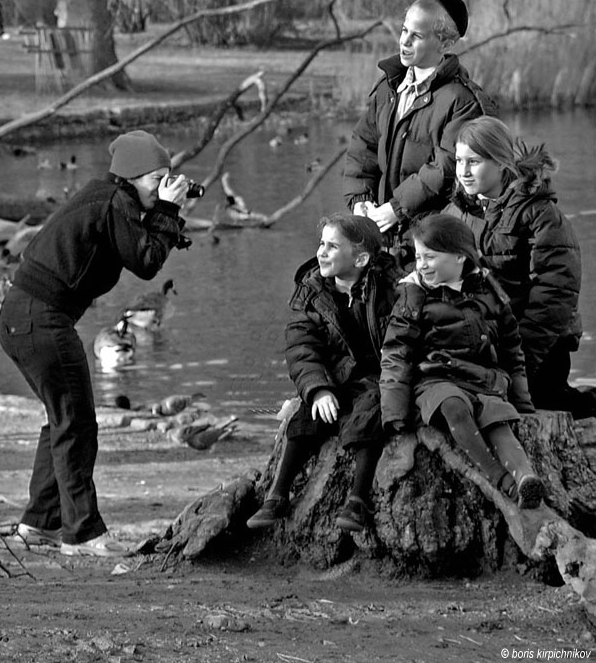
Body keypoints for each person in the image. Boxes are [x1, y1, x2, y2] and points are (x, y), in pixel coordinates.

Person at [0, 130, 194, 557]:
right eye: (156, 179)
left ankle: (40, 523)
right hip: (40, 319)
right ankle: (83, 534)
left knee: (61, 420)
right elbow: (145, 262)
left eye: (168, 179)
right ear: (131, 176)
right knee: (78, 424)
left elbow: (139, 247)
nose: (162, 187)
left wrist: (166, 213)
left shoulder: (108, 198)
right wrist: (168, 210)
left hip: (21, 317)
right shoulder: (113, 201)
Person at [247, 213, 402, 533]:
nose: (321, 252)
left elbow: (404, 336)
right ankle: (277, 495)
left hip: (378, 376)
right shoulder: (311, 291)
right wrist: (318, 389)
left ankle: (358, 499)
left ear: (360, 258)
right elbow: (301, 348)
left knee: (371, 413)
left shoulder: (392, 287)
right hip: (334, 376)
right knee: (305, 416)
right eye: (321, 244)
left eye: (333, 246)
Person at [380, 214, 544, 509]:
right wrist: (394, 411)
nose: (422, 264)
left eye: (430, 257)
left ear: (459, 257)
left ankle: (526, 479)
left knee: (498, 422)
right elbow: (396, 353)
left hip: (482, 378)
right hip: (435, 381)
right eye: (419, 256)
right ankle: (502, 480)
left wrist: (522, 401)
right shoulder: (413, 297)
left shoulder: (489, 292)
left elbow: (512, 349)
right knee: (453, 405)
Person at [446, 116, 593, 419]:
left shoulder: (540, 214)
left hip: (540, 346)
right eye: (459, 160)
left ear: (500, 162)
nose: (463, 171)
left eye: (473, 161)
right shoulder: (457, 209)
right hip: (487, 339)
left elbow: (556, 293)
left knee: (537, 406)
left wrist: (520, 359)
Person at [343, 0, 495, 259]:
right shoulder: (388, 88)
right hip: (383, 237)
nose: (404, 41)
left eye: (417, 36)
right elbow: (362, 146)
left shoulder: (463, 101)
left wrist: (396, 208)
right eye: (404, 30)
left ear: (445, 43)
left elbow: (446, 166)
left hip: (435, 243)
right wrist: (361, 201)